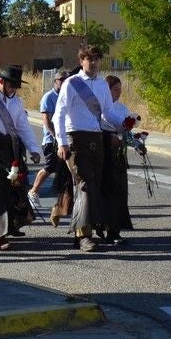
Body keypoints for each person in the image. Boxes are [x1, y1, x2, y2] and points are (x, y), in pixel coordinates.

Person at [55, 47, 120, 251]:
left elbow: (109, 113)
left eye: (97, 59)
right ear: (81, 60)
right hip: (77, 138)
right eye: (89, 59)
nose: (93, 63)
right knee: (84, 185)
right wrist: (62, 142)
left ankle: (81, 232)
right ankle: (84, 236)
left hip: (97, 138)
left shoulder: (102, 84)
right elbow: (59, 114)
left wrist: (125, 125)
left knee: (94, 185)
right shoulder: (72, 83)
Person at [0, 63, 41, 250]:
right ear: (0, 81)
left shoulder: (16, 102)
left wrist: (33, 148)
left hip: (9, 149)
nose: (13, 89)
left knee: (9, 193)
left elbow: (23, 127)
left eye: (16, 86)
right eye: (11, 85)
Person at [31, 69, 72, 227]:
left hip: (67, 140)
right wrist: (56, 137)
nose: (63, 82)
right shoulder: (49, 97)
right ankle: (34, 191)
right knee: (50, 166)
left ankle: (62, 204)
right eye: (60, 79)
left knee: (66, 173)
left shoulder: (69, 96)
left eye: (65, 79)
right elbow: (46, 120)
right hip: (51, 140)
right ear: (55, 81)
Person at [102, 75, 140, 244]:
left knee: (120, 192)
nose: (118, 92)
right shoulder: (101, 108)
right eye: (114, 89)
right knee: (107, 192)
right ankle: (105, 228)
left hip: (118, 156)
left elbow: (127, 132)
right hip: (104, 153)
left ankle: (115, 230)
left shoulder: (123, 109)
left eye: (120, 89)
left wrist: (138, 144)